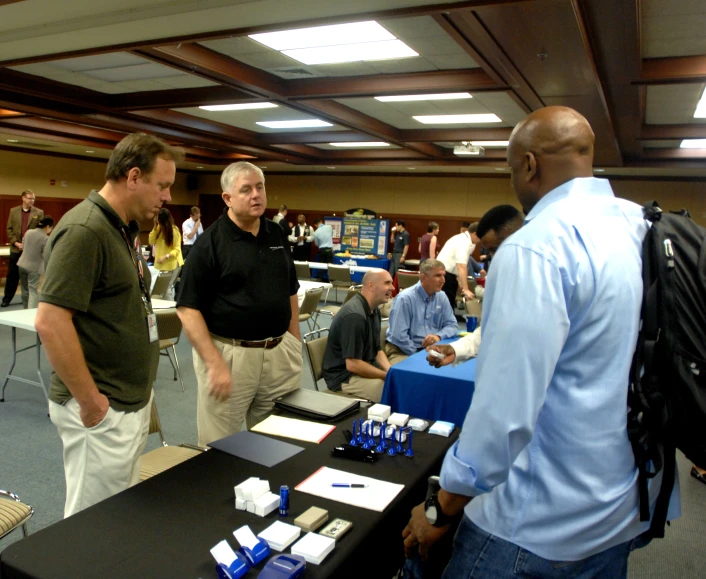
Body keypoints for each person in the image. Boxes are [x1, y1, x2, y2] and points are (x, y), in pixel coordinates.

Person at [402, 106, 679, 578]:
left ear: (529, 164)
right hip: (622, 504)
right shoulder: (645, 226)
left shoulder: (537, 245)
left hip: (535, 526)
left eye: (512, 169)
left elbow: (503, 415)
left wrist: (441, 508)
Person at [35, 133, 182, 517]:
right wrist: (92, 403)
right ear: (133, 177)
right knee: (90, 528)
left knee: (114, 520)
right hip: (102, 410)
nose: (167, 197)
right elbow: (50, 322)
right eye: (162, 185)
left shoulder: (120, 227)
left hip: (125, 404)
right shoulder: (86, 230)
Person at [176, 162, 302, 446]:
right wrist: (214, 363)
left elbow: (290, 289)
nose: (256, 194)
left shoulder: (276, 233)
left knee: (278, 444)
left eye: (260, 187)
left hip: (279, 354)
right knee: (222, 449)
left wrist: (293, 340)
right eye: (245, 189)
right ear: (227, 198)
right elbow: (187, 308)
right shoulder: (209, 244)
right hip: (230, 356)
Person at [427, 206, 523, 368]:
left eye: (494, 249)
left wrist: (465, 287)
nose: (494, 257)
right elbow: (492, 328)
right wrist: (456, 348)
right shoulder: (502, 275)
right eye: (490, 251)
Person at [322, 269, 393, 402]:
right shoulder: (355, 316)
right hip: (344, 377)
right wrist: (386, 376)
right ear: (371, 286)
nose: (393, 287)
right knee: (390, 390)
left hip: (360, 368)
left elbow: (376, 349)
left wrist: (391, 372)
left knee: (396, 382)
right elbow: (353, 365)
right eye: (387, 283)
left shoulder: (374, 310)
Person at [385, 259, 457, 365]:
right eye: (437, 276)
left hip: (431, 349)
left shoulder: (442, 297)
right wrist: (420, 354)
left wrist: (438, 336)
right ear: (423, 277)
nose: (443, 280)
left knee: (453, 366)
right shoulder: (405, 299)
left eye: (443, 275)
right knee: (418, 370)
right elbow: (399, 337)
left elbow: (452, 325)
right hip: (403, 350)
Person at [3, 190, 44, 307]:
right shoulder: (13, 211)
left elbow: (40, 231)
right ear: (23, 198)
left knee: (29, 277)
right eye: (30, 198)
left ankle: (29, 301)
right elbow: (9, 229)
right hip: (16, 248)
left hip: (31, 250)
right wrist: (16, 243)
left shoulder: (39, 212)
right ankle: (7, 299)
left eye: (33, 199)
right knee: (12, 275)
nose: (32, 201)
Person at [436, 222, 477, 309]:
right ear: (475, 234)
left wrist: (460, 281)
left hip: (448, 274)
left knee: (447, 304)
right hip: (444, 274)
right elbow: (461, 266)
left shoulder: (467, 241)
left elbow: (457, 262)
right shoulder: (464, 242)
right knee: (446, 306)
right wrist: (466, 289)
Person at [17, 215, 54, 309]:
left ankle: (24, 310)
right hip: (33, 267)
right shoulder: (45, 238)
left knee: (24, 290)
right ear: (48, 226)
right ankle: (30, 313)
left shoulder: (28, 232)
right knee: (33, 290)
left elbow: (23, 246)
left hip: (21, 264)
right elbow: (45, 255)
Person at [149, 208, 184, 300]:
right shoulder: (158, 229)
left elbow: (177, 249)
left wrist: (166, 256)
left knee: (167, 288)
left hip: (173, 263)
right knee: (162, 289)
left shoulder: (174, 230)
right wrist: (154, 227)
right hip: (162, 264)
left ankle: (170, 310)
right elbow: (151, 241)